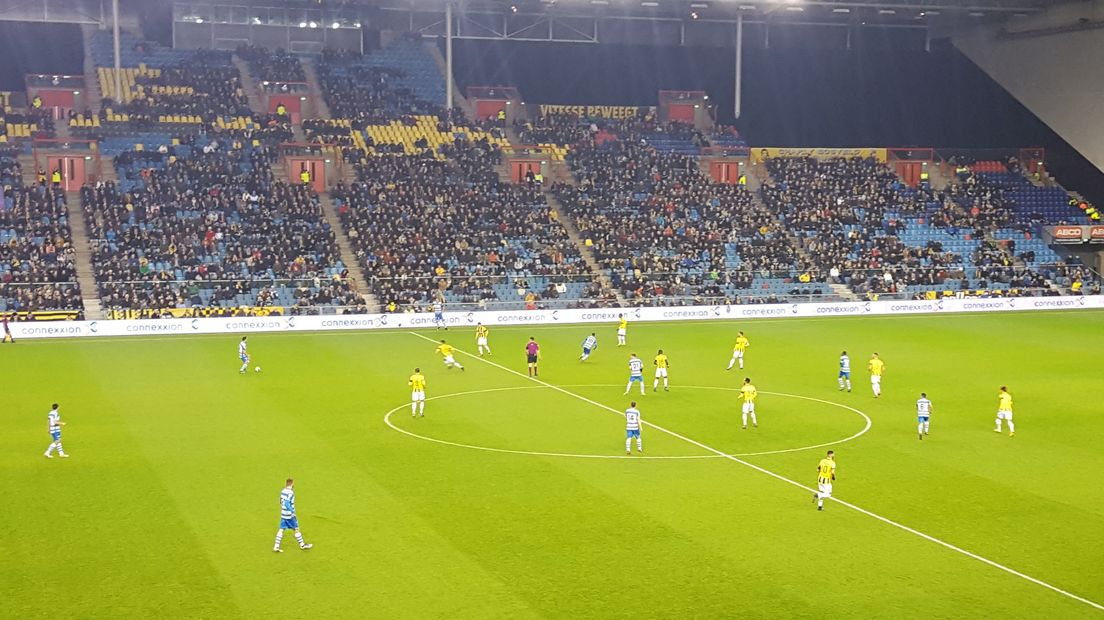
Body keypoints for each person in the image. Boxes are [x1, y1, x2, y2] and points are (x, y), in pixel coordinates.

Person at [273, 478, 312, 553]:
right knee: (296, 529)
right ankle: (302, 545)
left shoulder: (283, 491)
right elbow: (287, 503)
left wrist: (283, 509)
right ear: (292, 484)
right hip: (289, 515)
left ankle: (276, 546)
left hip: (283, 514)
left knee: (281, 529)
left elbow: (281, 501)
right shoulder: (290, 493)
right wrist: (292, 511)